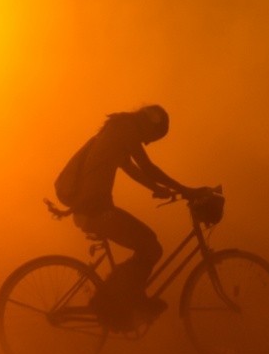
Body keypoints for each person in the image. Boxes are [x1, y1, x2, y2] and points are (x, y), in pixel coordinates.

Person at [50, 105, 206, 329]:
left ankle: (120, 300)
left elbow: (134, 171)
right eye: (153, 137)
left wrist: (156, 188)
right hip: (96, 211)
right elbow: (148, 167)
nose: (148, 143)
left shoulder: (116, 131)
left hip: (92, 210)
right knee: (151, 247)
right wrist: (186, 189)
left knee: (148, 243)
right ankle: (112, 302)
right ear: (149, 123)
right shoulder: (125, 129)